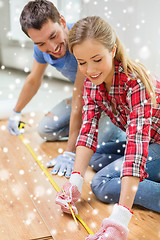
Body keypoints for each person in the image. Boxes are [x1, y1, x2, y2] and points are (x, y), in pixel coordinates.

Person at [55, 16, 160, 239]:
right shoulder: (95, 82)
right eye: (81, 63)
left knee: (102, 183)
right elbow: (88, 132)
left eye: (96, 59)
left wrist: (119, 220)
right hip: (151, 142)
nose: (90, 69)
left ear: (112, 51)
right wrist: (75, 182)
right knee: (96, 157)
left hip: (152, 143)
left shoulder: (136, 83)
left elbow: (136, 150)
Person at [7, 0, 125, 178]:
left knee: (97, 150)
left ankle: (120, 130)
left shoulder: (81, 42)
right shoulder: (42, 49)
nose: (52, 47)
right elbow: (33, 80)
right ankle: (87, 130)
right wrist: (16, 112)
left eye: (54, 36)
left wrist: (70, 152)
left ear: (62, 21)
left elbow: (79, 98)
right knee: (45, 129)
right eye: (41, 43)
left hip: (110, 102)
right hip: (86, 98)